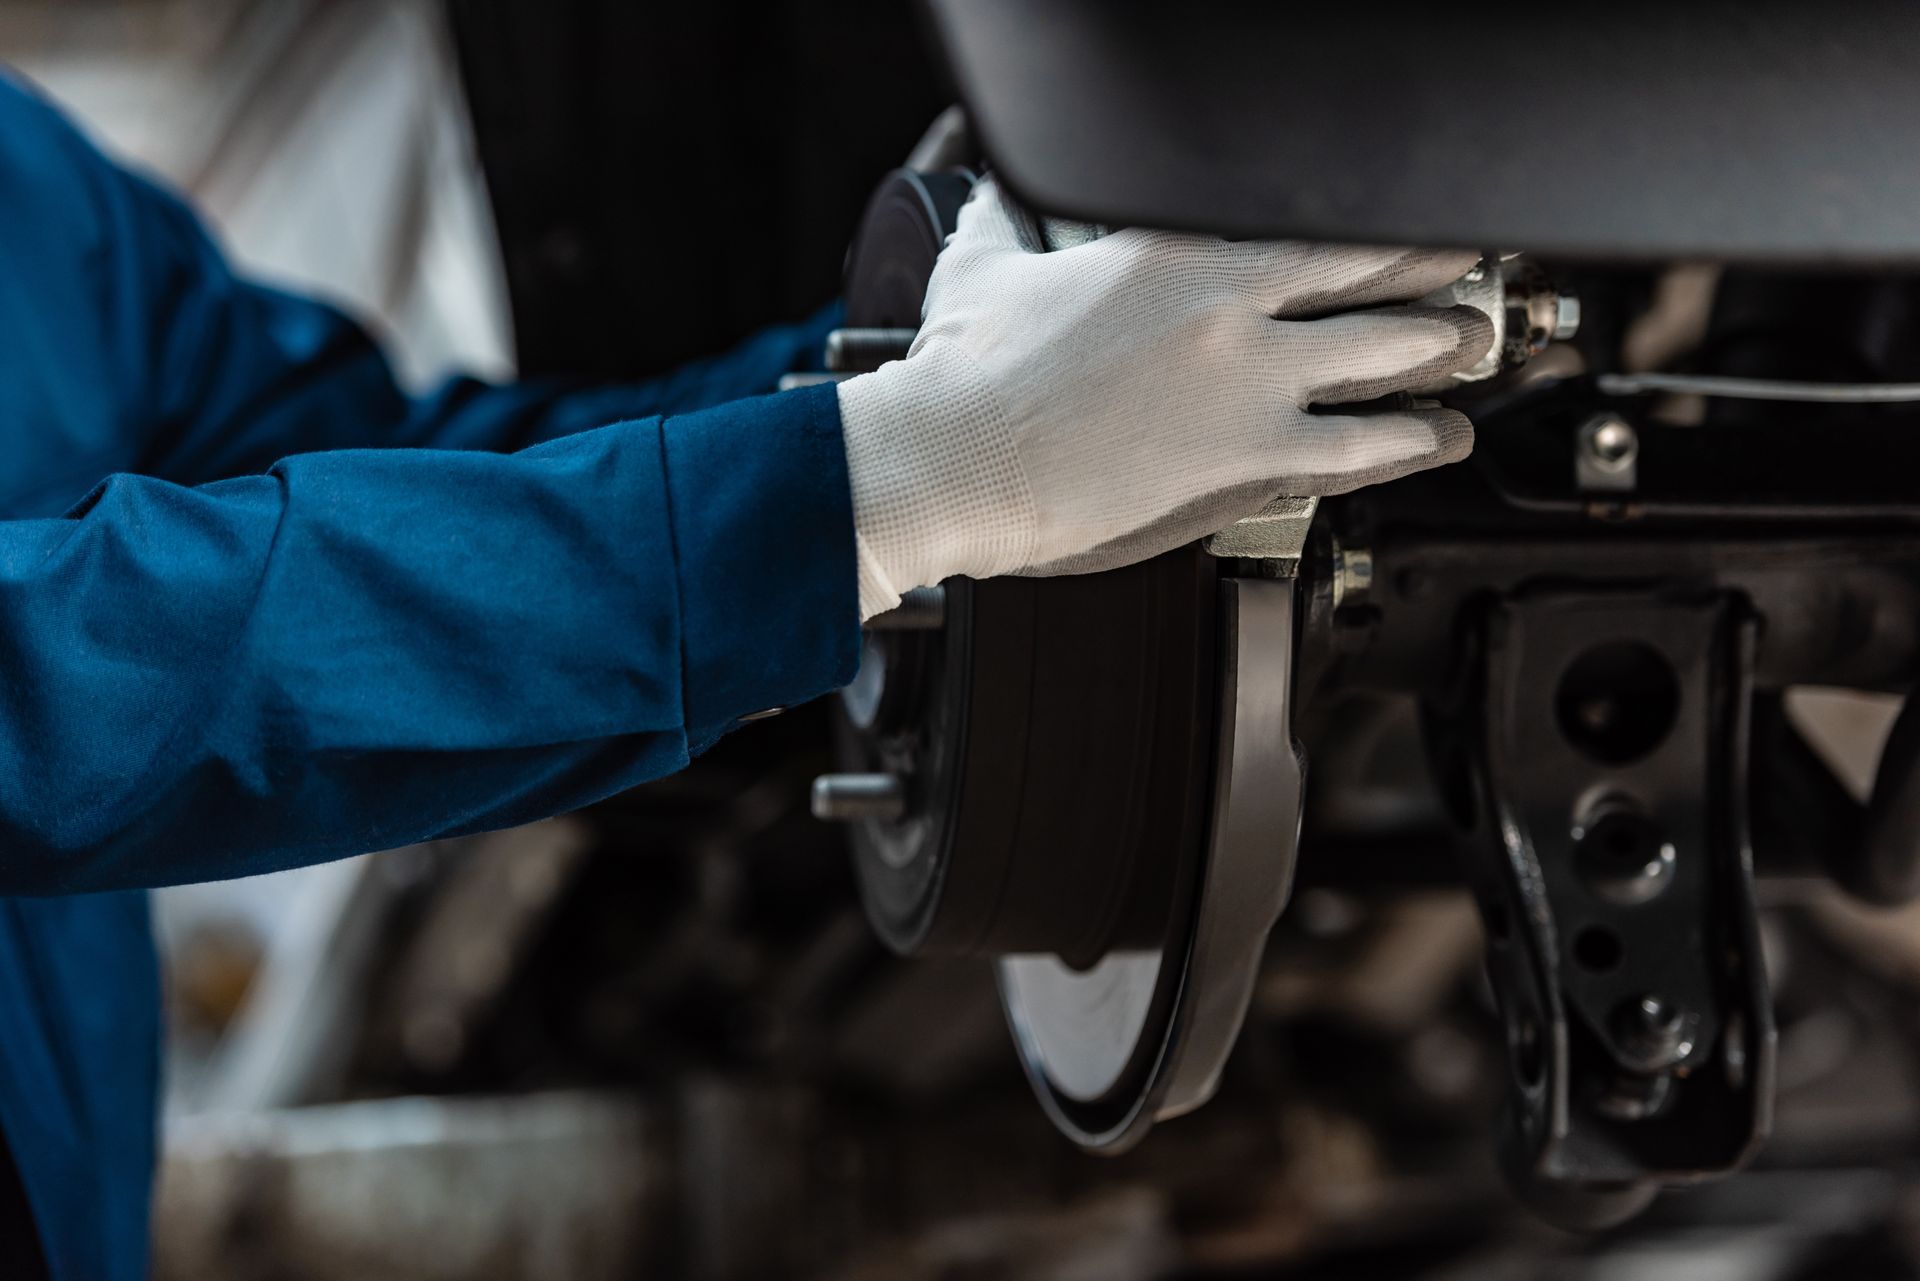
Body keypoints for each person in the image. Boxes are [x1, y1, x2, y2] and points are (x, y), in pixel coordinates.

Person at [0, 71, 1492, 1279]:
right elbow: (46, 679)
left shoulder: (29, 188)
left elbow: (385, 478)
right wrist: (874, 489)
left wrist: (901, 367)